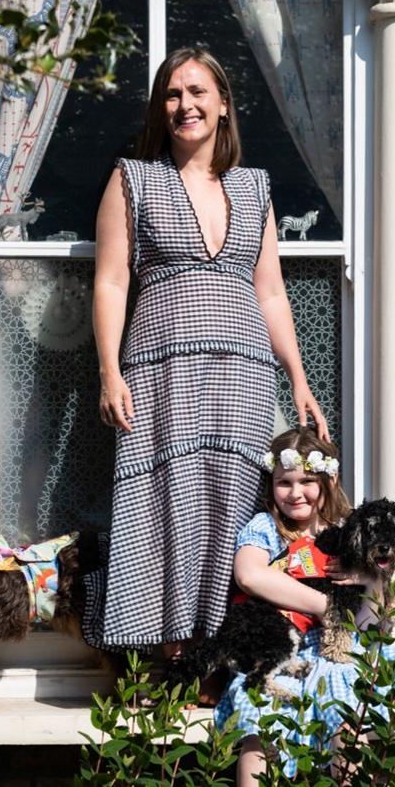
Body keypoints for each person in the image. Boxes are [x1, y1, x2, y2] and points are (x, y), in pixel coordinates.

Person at [92, 47, 328, 652]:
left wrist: (297, 376)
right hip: (160, 372)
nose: (184, 106)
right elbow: (112, 281)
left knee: (232, 501)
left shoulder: (254, 188)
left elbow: (270, 292)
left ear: (222, 105)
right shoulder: (132, 178)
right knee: (163, 504)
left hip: (244, 375)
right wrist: (108, 370)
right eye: (172, 95)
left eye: (197, 92)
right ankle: (163, 654)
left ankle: (221, 652)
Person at [213, 427, 395, 787]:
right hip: (281, 650)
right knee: (257, 726)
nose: (296, 493)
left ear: (327, 482)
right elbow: (250, 575)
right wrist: (327, 606)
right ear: (271, 484)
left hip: (338, 651)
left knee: (350, 719)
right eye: (284, 483)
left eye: (307, 482)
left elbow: (374, 615)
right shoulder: (265, 529)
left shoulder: (348, 531)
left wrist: (367, 580)